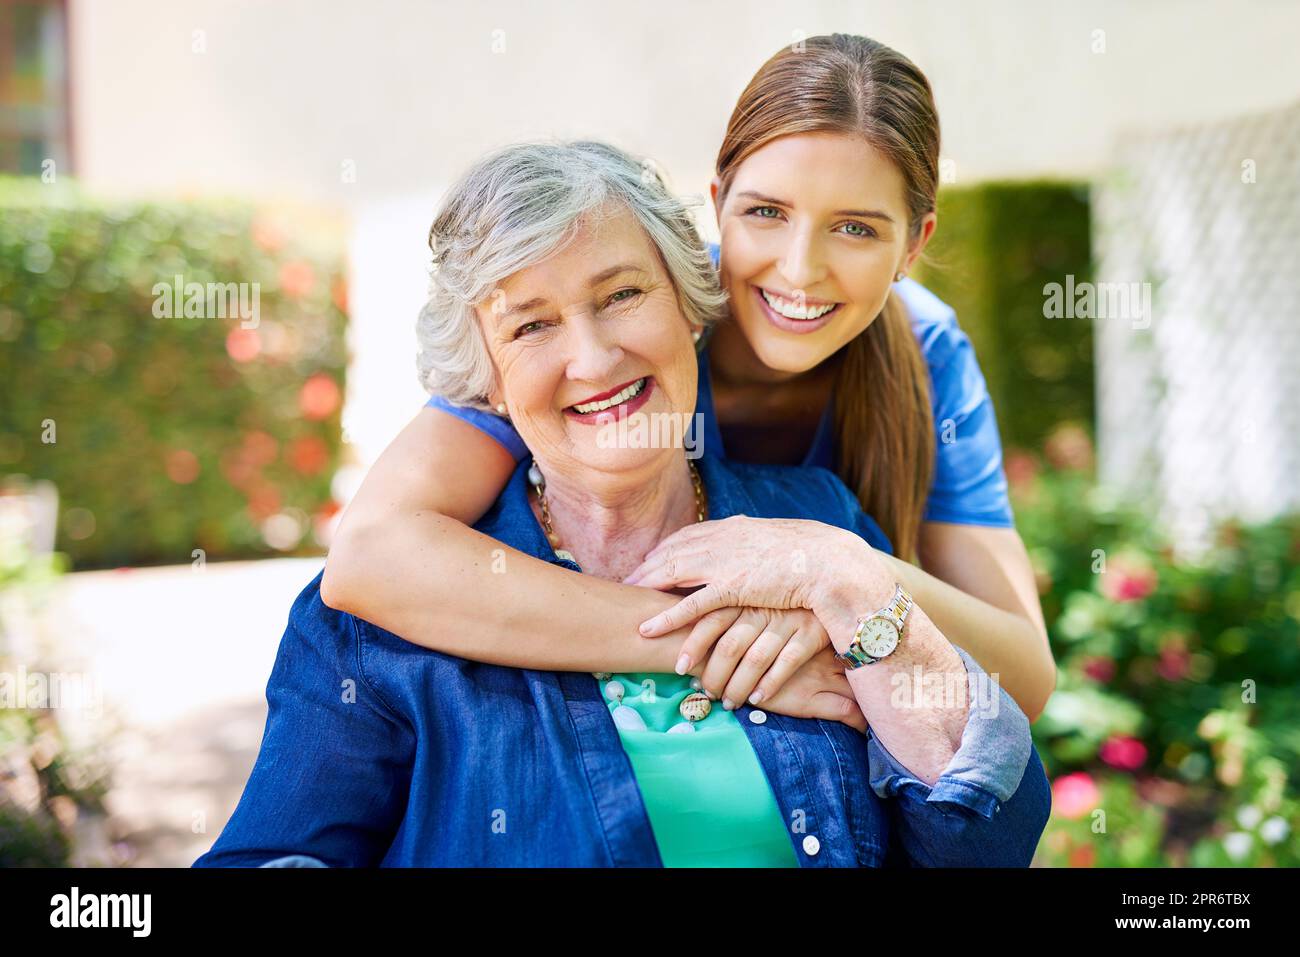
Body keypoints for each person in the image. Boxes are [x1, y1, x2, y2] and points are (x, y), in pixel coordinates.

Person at [194, 141, 1050, 867]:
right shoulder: (381, 621)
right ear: (485, 379)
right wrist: (691, 638)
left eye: (622, 296)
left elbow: (982, 838)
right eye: (532, 326)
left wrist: (857, 586)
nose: (595, 358)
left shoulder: (819, 527)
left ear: (691, 307)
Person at [319, 33, 1056, 721]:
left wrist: (838, 567)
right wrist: (697, 647)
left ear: (914, 244)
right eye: (767, 211)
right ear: (716, 203)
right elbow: (371, 554)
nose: (800, 269)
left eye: (856, 227)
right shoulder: (623, 321)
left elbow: (1024, 672)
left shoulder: (927, 352)